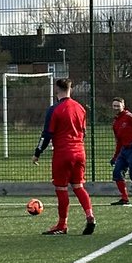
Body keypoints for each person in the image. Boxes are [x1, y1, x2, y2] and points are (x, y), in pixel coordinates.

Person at [33, 78, 96, 235]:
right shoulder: (80, 108)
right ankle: (90, 216)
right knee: (79, 187)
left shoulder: (54, 109)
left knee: (61, 189)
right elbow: (84, 133)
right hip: (80, 152)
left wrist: (37, 153)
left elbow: (47, 134)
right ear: (71, 89)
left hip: (63, 154)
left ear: (56, 90)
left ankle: (62, 225)